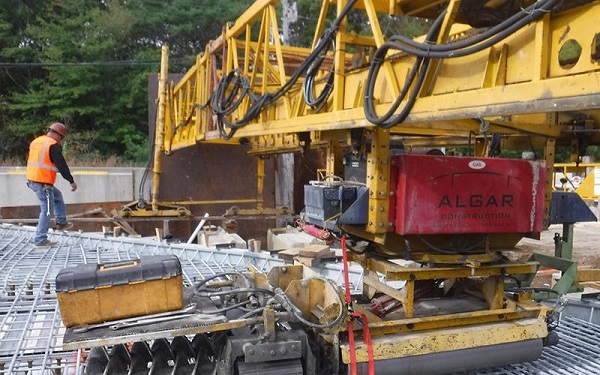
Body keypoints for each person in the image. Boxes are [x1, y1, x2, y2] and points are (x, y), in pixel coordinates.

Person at [26, 122, 78, 248]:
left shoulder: (36, 141)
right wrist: (71, 181)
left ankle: (61, 222)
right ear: (56, 134)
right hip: (44, 184)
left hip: (33, 180)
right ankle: (40, 240)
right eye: (61, 137)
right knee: (47, 210)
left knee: (58, 197)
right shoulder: (52, 145)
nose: (60, 140)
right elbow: (61, 165)